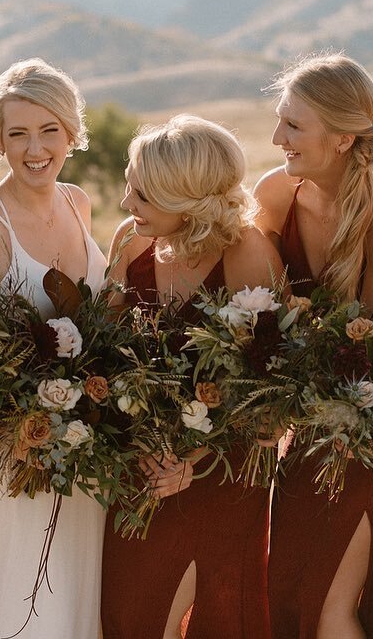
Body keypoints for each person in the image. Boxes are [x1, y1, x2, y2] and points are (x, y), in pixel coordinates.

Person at [0, 58, 108, 639]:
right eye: (17, 134)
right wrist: (11, 430)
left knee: (70, 608)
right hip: (9, 463)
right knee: (11, 610)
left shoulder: (78, 203)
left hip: (82, 459)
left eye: (49, 131)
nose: (34, 149)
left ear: (71, 132)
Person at [252, 53, 373, 638]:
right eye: (280, 120)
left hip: (364, 431)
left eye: (293, 125)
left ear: (344, 137)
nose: (277, 138)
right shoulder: (276, 193)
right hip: (301, 429)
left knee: (329, 604)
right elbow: (256, 311)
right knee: (285, 588)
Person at [101, 114, 283, 639]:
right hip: (141, 465)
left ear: (187, 198)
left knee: (214, 614)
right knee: (130, 614)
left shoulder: (246, 254)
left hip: (222, 471)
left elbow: (270, 388)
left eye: (142, 194)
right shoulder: (132, 242)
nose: (126, 205)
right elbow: (103, 353)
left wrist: (191, 459)